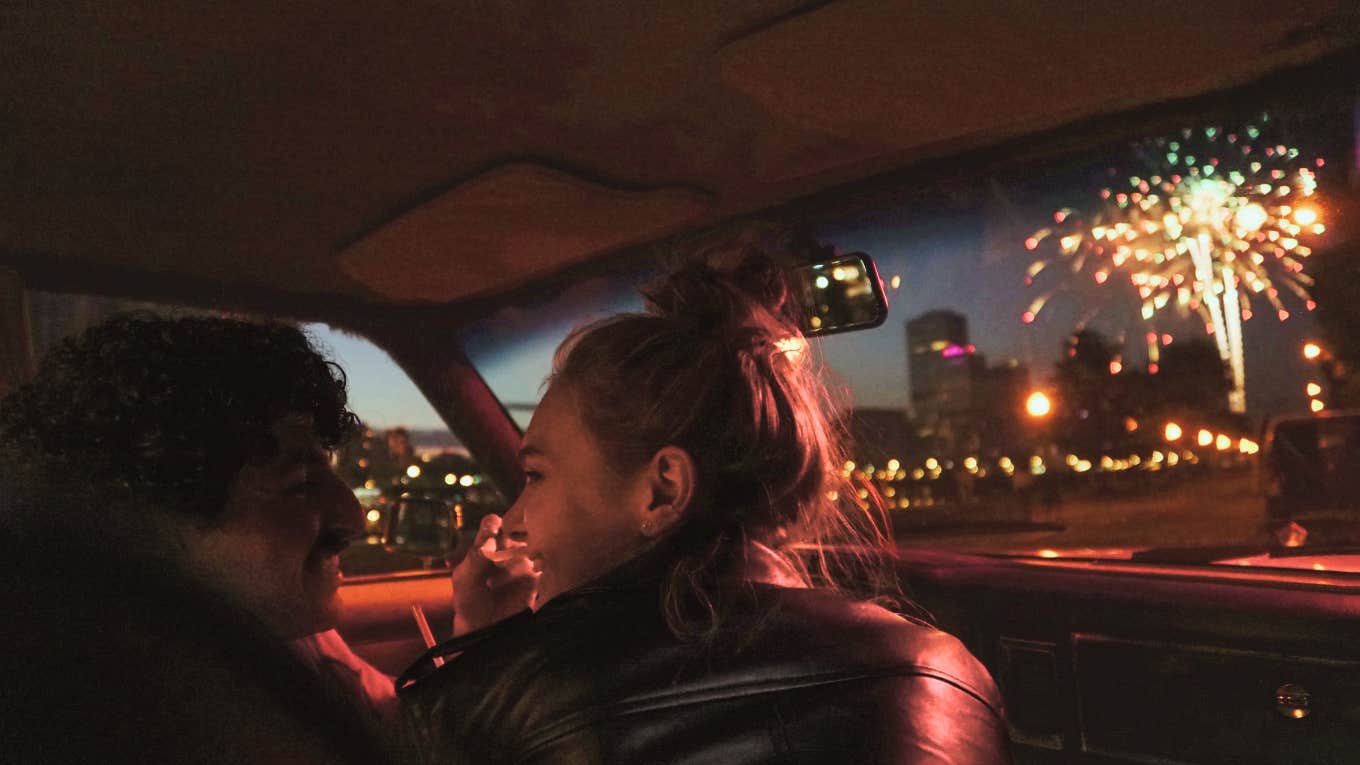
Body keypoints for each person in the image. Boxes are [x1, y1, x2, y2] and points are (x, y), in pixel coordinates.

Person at [398, 253, 1012, 763]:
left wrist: (481, 656)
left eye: (535, 475)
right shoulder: (946, 676)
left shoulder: (480, 706)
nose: (515, 519)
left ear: (662, 490)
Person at [0, 314, 401, 762]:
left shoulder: (288, 637)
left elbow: (398, 725)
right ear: (150, 519)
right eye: (299, 484)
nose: (354, 517)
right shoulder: (115, 728)